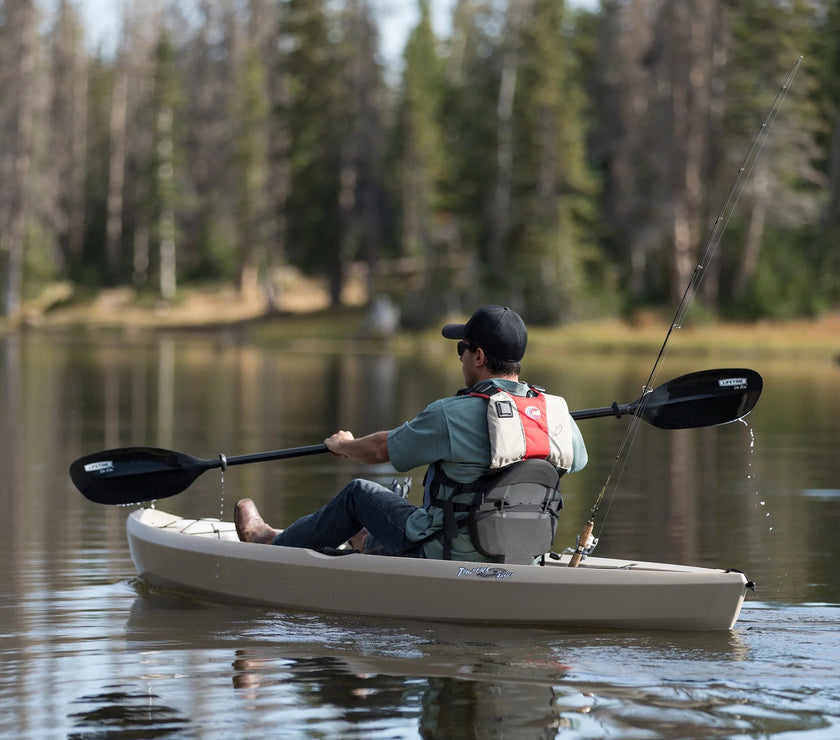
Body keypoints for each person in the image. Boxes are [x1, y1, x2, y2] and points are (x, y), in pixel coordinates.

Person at [235, 305, 588, 562]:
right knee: (386, 520)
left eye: (461, 349)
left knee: (359, 494)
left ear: (478, 356)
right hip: (522, 553)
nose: (460, 357)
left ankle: (270, 548)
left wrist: (343, 444)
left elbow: (377, 451)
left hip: (449, 551)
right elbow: (579, 460)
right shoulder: (555, 412)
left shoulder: (453, 413)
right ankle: (360, 542)